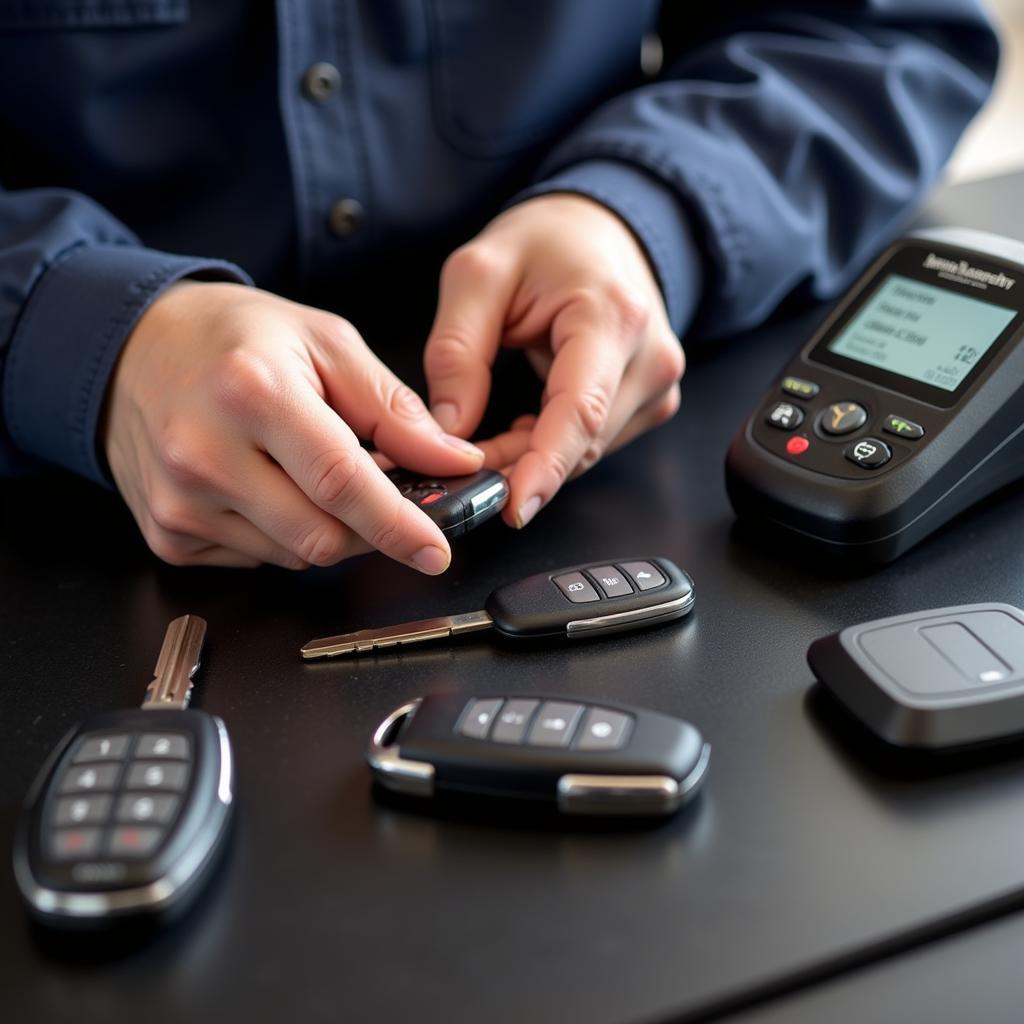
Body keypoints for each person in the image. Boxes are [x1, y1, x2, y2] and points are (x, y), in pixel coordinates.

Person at [0, 1, 998, 572]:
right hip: (59, 536)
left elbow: (886, 30)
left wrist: (640, 211)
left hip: (628, 460)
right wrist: (82, 331)